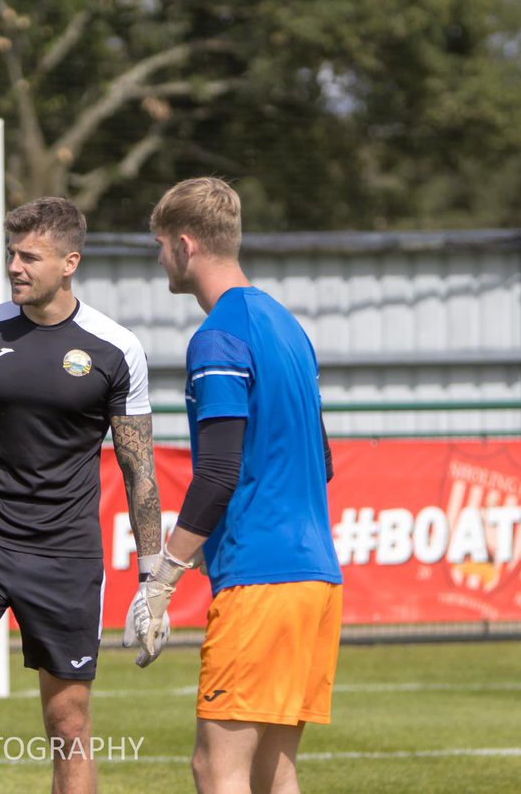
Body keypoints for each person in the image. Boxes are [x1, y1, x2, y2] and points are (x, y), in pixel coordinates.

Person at [0, 197, 162, 794]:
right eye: (11, 254)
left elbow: (138, 466)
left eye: (30, 256)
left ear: (69, 262)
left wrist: (153, 578)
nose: (15, 267)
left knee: (67, 721)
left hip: (65, 553)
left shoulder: (115, 348)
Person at [132, 177, 342, 794]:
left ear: (186, 244)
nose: (159, 257)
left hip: (263, 581)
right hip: (316, 577)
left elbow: (219, 473)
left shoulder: (218, 336)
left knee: (216, 768)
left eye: (161, 244)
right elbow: (320, 458)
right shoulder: (286, 326)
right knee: (275, 771)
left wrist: (163, 576)